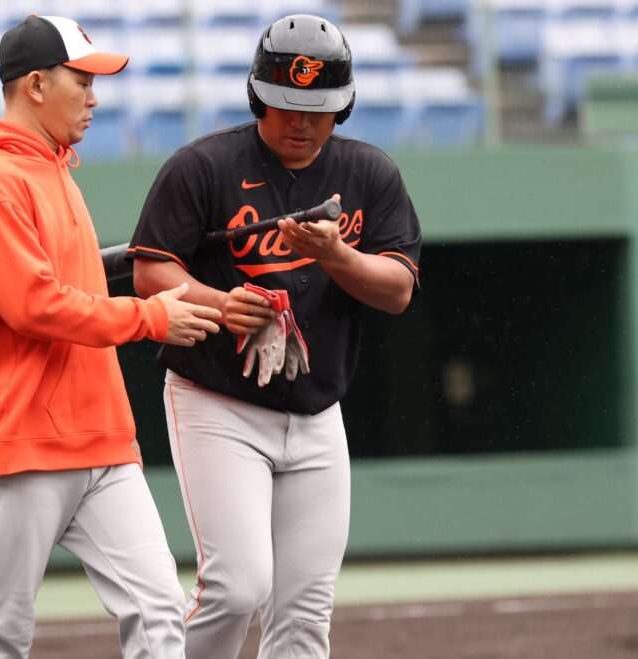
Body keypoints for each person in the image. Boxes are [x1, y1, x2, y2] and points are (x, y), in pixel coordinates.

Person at [129, 14, 422, 659]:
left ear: (342, 107)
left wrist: (336, 255)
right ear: (258, 97)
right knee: (238, 587)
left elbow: (397, 289)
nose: (301, 122)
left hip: (318, 413)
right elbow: (151, 271)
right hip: (218, 401)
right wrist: (219, 303)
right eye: (286, 105)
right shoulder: (204, 165)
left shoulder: (370, 173)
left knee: (305, 610)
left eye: (317, 109)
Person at [0, 15, 222, 659]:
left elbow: (58, 286)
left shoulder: (56, 170)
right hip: (17, 443)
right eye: (83, 81)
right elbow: (33, 306)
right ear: (36, 85)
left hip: (100, 438)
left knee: (159, 610)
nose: (94, 98)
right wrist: (149, 316)